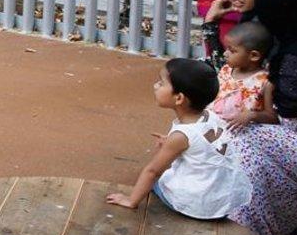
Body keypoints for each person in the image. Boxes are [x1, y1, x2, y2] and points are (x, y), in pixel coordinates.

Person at [204, 0, 297, 235]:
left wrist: (254, 113)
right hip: (296, 134)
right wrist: (211, 25)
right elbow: (226, 78)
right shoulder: (283, 35)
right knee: (224, 128)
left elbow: (294, 123)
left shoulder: (292, 55)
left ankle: (249, 233)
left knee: (236, 138)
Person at [105, 59, 251, 220]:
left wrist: (131, 200)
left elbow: (152, 171)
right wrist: (171, 142)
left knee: (156, 178)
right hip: (224, 200)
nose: (155, 86)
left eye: (161, 83)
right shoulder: (212, 116)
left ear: (179, 98)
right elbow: (203, 142)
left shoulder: (180, 137)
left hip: (198, 206)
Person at [209, 21, 276, 130]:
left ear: (254, 56)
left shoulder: (265, 82)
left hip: (238, 133)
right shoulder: (226, 69)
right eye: (226, 49)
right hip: (212, 124)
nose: (225, 54)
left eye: (232, 51)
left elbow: (272, 117)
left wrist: (252, 115)